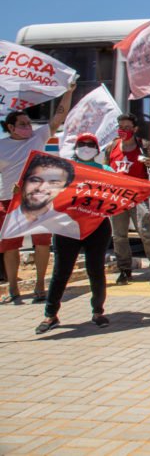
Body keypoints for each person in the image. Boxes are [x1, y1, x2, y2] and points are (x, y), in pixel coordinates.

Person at [0, 83, 74, 305]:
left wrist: (68, 92)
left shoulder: (38, 137)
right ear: (11, 127)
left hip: (39, 198)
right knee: (10, 245)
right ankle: (13, 287)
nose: (28, 127)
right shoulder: (1, 146)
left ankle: (41, 284)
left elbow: (59, 117)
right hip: (8, 199)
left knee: (42, 243)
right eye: (22, 124)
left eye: (28, 123)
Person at [35, 135, 112, 333]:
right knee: (61, 272)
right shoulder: (63, 171)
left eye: (90, 145)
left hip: (97, 227)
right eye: (82, 145)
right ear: (75, 147)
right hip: (67, 227)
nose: (86, 148)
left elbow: (130, 190)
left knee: (96, 270)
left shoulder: (107, 171)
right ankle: (50, 315)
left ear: (97, 148)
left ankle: (98, 312)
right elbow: (41, 190)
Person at [107, 113, 150, 285]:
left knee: (145, 231)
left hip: (137, 196)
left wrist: (149, 164)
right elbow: (105, 170)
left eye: (127, 128)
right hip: (117, 197)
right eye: (121, 127)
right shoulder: (113, 146)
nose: (123, 130)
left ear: (135, 129)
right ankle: (124, 269)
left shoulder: (143, 146)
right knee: (118, 235)